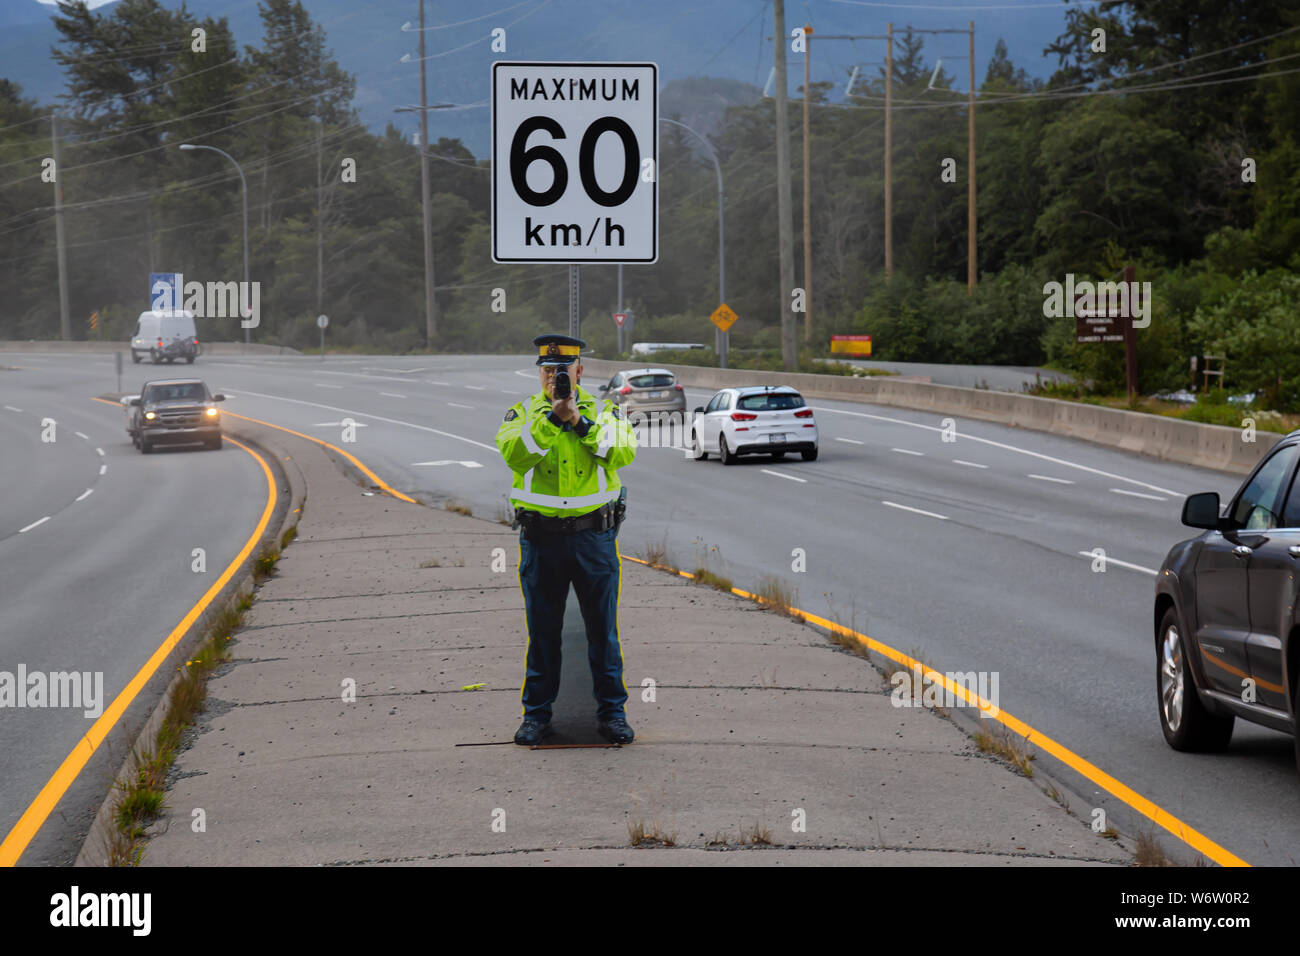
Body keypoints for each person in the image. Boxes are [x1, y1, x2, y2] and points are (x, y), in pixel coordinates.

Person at [496, 334, 639, 746]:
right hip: (541, 540)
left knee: (603, 633)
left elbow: (622, 451)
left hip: (594, 539)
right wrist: (554, 419)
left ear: (579, 371)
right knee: (543, 634)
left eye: (561, 371)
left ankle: (612, 714)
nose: (552, 378)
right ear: (538, 373)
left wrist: (579, 421)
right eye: (546, 370)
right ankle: (536, 717)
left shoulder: (605, 410)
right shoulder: (524, 413)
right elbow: (515, 454)